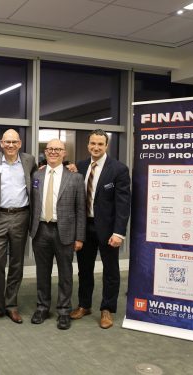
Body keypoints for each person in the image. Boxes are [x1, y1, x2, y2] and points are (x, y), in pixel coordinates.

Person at [69, 129, 131, 329]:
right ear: (88, 145)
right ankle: (84, 305)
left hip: (108, 230)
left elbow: (123, 204)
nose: (96, 147)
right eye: (92, 143)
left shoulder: (119, 169)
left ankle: (107, 309)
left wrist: (119, 232)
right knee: (84, 269)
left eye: (100, 144)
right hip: (84, 227)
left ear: (106, 146)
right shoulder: (80, 166)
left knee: (110, 271)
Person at [29, 139, 86, 330]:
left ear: (64, 153)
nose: (53, 152)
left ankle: (63, 310)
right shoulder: (37, 175)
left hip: (65, 231)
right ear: (45, 152)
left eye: (58, 149)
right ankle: (42, 307)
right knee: (42, 272)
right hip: (41, 230)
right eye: (50, 149)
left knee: (65, 273)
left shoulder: (75, 178)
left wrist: (80, 237)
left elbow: (80, 209)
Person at [0, 129, 36, 324]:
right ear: (1, 143)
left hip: (21, 216)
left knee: (16, 264)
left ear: (20, 143)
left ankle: (11, 305)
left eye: (14, 142)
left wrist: (69, 167)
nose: (11, 145)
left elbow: (40, 177)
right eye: (7, 142)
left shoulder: (29, 161)